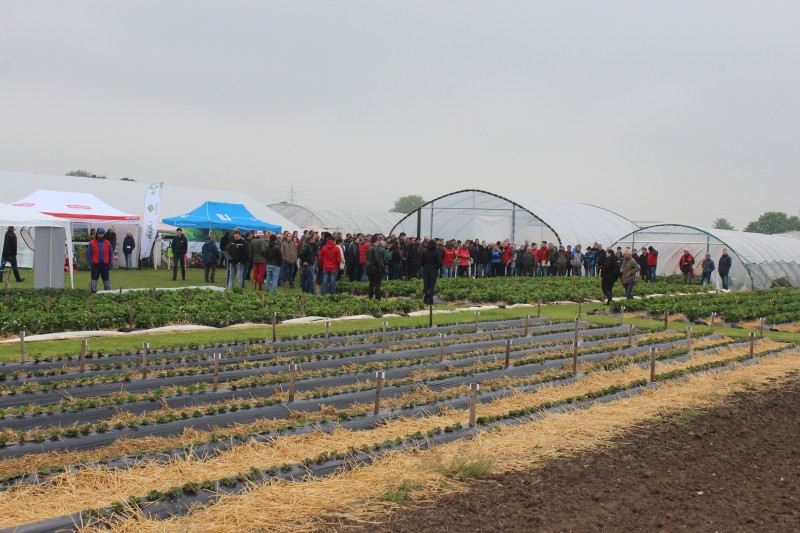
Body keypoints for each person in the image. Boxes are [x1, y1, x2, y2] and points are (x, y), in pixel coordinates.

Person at [87, 227, 113, 292]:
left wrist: (110, 263)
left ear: (104, 234)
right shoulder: (92, 242)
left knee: (106, 280)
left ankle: (108, 293)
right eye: (100, 233)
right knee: (94, 279)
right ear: (97, 233)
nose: (101, 234)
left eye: (102, 233)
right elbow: (88, 253)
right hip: (95, 265)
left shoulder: (108, 243)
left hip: (105, 265)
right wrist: (91, 263)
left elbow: (111, 253)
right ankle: (93, 292)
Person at [421, 239, 443, 305]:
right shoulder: (437, 252)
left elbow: (421, 262)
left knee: (426, 286)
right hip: (433, 270)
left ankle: (425, 300)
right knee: (431, 286)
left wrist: (425, 266)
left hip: (425, 270)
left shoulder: (425, 252)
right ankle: (431, 300)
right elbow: (439, 263)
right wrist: (437, 268)